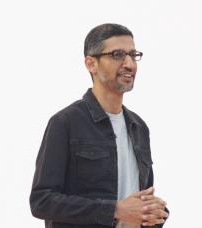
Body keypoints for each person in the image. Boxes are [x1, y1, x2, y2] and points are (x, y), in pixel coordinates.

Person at [30, 23, 169, 228]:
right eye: (117, 55)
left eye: (133, 54)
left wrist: (155, 213)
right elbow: (42, 201)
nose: (129, 64)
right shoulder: (65, 123)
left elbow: (140, 201)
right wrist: (115, 210)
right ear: (91, 64)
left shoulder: (138, 127)